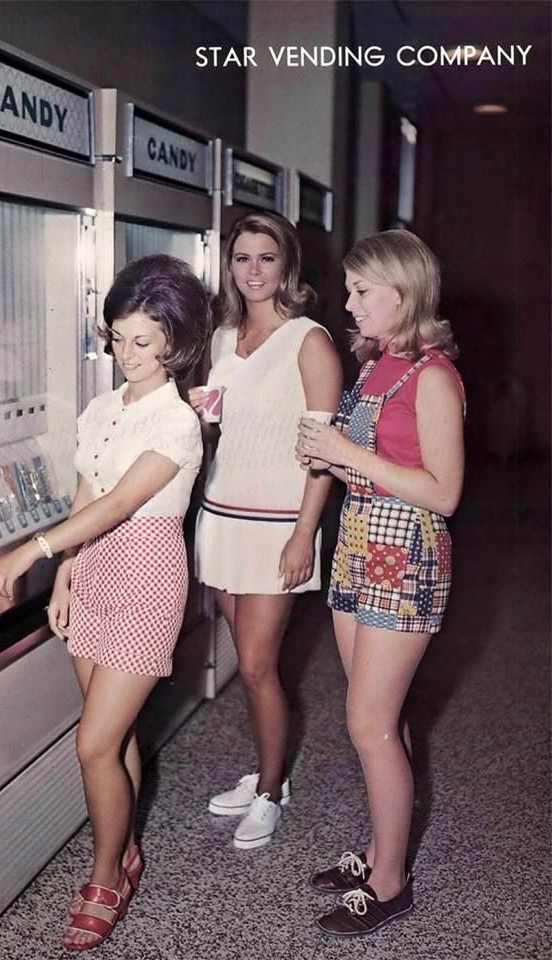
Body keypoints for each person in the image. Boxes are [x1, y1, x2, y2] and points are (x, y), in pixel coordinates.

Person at [0, 255, 210, 951]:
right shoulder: (101, 409)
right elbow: (87, 497)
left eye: (144, 341)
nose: (127, 354)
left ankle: (107, 876)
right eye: (117, 338)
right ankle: (128, 849)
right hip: (97, 570)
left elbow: (120, 503)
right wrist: (71, 576)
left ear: (176, 341)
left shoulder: (177, 424)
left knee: (93, 743)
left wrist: (33, 552)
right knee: (114, 740)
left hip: (147, 575)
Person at [296, 229, 465, 937]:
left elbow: (444, 493)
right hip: (360, 540)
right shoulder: (375, 367)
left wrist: (340, 450)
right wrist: (328, 458)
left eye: (363, 290)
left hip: (407, 548)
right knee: (381, 722)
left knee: (367, 723)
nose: (350, 301)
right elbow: (370, 463)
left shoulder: (431, 376)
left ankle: (392, 884)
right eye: (350, 288)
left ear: (404, 293)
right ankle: (376, 852)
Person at [190, 211, 342, 849]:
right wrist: (203, 416)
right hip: (222, 514)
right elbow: (222, 431)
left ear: (288, 267)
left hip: (279, 522)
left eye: (266, 258)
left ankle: (273, 790)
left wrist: (304, 534)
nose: (252, 271)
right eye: (242, 258)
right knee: (244, 663)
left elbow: (324, 450)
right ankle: (266, 771)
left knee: (257, 667)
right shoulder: (223, 336)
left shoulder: (310, 340)